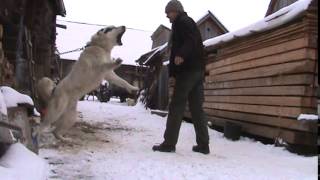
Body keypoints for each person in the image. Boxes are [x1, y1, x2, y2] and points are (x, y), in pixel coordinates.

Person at [152, 0, 210, 154]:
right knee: (197, 109)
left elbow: (191, 41)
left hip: (188, 70)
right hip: (197, 71)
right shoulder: (184, 22)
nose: (167, 16)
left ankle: (169, 143)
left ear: (175, 11)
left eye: (168, 12)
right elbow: (190, 43)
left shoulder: (183, 22)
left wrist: (181, 55)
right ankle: (203, 145)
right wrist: (172, 73)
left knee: (176, 106)